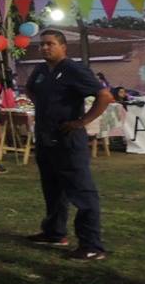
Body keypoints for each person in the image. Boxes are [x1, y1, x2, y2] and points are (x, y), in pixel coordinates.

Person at [24, 29, 112, 260]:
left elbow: (104, 96)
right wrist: (46, 106)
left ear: (63, 47)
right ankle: (54, 232)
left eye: (50, 44)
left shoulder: (74, 70)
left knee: (81, 192)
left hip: (68, 140)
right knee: (52, 190)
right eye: (42, 44)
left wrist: (82, 121)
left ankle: (92, 245)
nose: (44, 48)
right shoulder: (41, 69)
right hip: (45, 138)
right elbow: (30, 89)